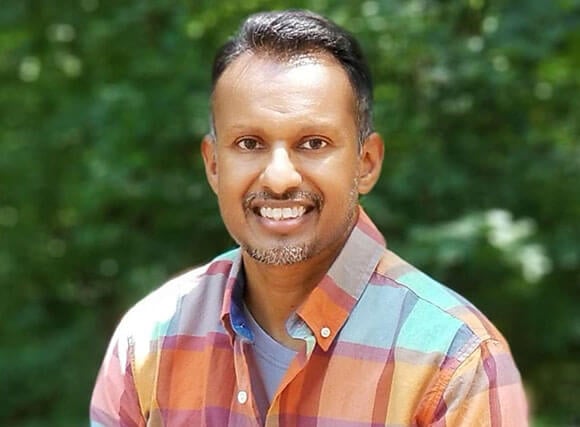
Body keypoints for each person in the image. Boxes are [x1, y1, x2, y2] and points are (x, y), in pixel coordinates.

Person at [90, 9, 528, 426]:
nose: (279, 177)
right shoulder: (148, 341)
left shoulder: (454, 360)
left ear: (366, 163)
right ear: (213, 166)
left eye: (313, 143)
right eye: (249, 144)